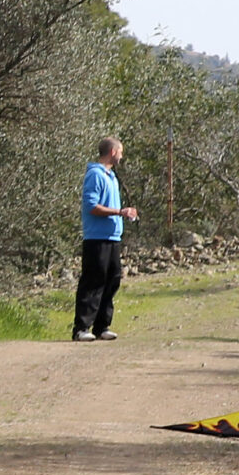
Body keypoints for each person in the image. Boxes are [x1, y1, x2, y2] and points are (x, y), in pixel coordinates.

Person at [73, 136, 139, 342]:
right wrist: (120, 212)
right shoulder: (95, 175)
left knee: (112, 280)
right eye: (120, 152)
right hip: (96, 239)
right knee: (93, 281)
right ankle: (81, 328)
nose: (122, 156)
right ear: (112, 152)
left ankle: (102, 326)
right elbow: (92, 206)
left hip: (113, 238)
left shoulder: (111, 176)